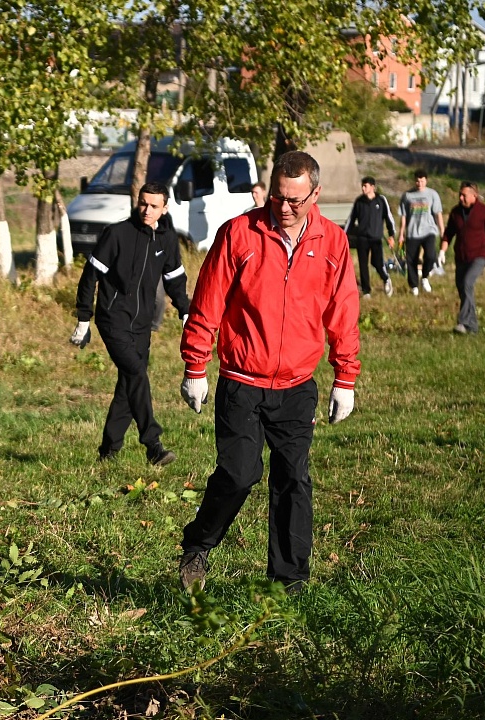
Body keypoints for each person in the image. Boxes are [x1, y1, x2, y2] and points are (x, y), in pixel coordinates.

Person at [177, 150, 361, 593]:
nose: (285, 207)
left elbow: (343, 312)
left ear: (315, 194)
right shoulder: (239, 233)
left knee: (293, 479)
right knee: (240, 474)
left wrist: (346, 377)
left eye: (296, 200)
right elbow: (208, 302)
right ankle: (199, 543)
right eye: (279, 196)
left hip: (297, 387)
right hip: (242, 381)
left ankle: (288, 582)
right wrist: (195, 366)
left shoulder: (333, 242)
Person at [70, 181, 190, 466]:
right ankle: (153, 445)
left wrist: (185, 311)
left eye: (153, 206)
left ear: (165, 208)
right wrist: (84, 319)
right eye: (143, 203)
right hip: (113, 320)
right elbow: (90, 276)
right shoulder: (117, 233)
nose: (147, 210)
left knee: (128, 386)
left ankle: (108, 451)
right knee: (136, 374)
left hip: (142, 325)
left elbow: (174, 280)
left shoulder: (167, 239)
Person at [439, 181, 485, 335]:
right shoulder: (455, 213)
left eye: (464, 195)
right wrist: (442, 251)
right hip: (461, 256)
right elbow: (448, 234)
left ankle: (463, 322)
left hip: (478, 256)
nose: (460, 198)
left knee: (467, 283)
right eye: (459, 194)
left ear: (474, 196)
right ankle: (472, 327)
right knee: (463, 289)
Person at [343, 176, 397, 297]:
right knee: (363, 265)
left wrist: (391, 235)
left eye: (365, 186)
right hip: (362, 238)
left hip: (376, 238)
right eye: (362, 186)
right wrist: (344, 236)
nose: (363, 188)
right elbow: (351, 220)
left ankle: (386, 278)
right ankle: (367, 291)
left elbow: (389, 218)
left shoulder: (381, 200)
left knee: (377, 263)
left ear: (372, 187)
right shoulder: (359, 201)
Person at [397, 169, 444, 296]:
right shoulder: (407, 196)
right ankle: (414, 286)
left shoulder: (432, 194)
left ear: (426, 181)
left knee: (430, 255)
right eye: (417, 181)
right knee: (411, 260)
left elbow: (438, 213)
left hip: (429, 230)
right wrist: (401, 234)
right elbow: (403, 216)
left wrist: (442, 230)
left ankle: (425, 277)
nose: (419, 183)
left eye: (422, 181)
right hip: (412, 232)